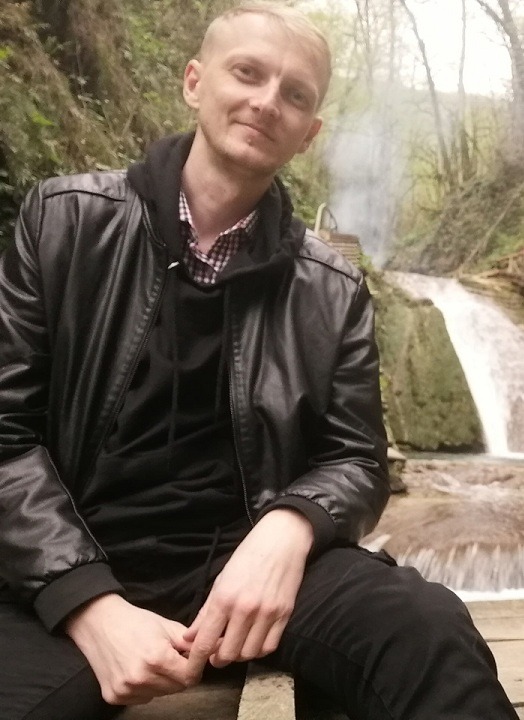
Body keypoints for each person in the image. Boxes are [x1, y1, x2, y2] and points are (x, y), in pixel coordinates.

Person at [0, 3, 518, 719]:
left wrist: (292, 525)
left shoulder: (330, 288)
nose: (267, 101)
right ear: (194, 82)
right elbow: (7, 435)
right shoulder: (64, 222)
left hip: (253, 567)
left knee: (426, 630)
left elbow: (356, 458)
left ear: (309, 134)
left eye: (295, 94)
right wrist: (86, 601)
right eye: (247, 73)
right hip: (69, 559)